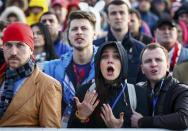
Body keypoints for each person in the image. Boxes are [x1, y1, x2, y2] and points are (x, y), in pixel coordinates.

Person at [67, 41, 147, 128]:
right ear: (98, 63)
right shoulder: (84, 91)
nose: (110, 61)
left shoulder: (138, 93)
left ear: (123, 63)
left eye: (116, 57)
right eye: (104, 56)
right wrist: (81, 116)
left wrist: (120, 129)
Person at [0, 22, 62, 127]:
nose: (13, 52)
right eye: (8, 45)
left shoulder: (48, 85)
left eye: (20, 45)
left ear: (31, 49)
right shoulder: (2, 77)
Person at [43, 10, 98, 127]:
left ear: (94, 33)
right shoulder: (51, 68)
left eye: (84, 28)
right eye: (74, 29)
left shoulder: (105, 64)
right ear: (68, 34)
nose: (79, 32)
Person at [131, 43, 188, 130]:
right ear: (142, 69)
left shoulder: (181, 90)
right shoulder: (136, 90)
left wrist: (144, 121)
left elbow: (184, 118)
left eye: (158, 60)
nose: (153, 64)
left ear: (168, 65)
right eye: (148, 61)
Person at [94, 0, 145, 84]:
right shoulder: (95, 46)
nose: (118, 17)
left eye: (122, 12)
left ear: (129, 17)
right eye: (113, 13)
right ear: (108, 19)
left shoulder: (141, 49)